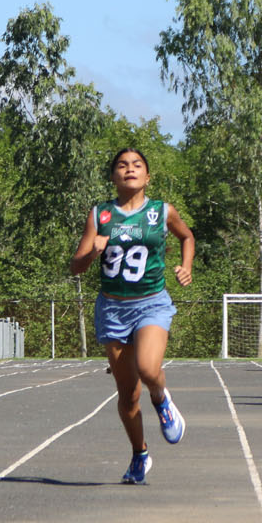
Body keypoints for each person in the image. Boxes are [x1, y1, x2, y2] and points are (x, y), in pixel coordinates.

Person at [70, 148, 194, 485]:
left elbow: (187, 236)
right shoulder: (100, 215)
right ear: (113, 176)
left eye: (137, 165)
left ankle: (161, 398)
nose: (130, 169)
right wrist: (92, 253)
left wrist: (186, 266)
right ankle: (140, 453)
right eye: (122, 165)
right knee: (127, 396)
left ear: (147, 176)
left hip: (151, 302)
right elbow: (75, 266)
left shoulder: (161, 211)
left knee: (148, 369)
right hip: (112, 308)